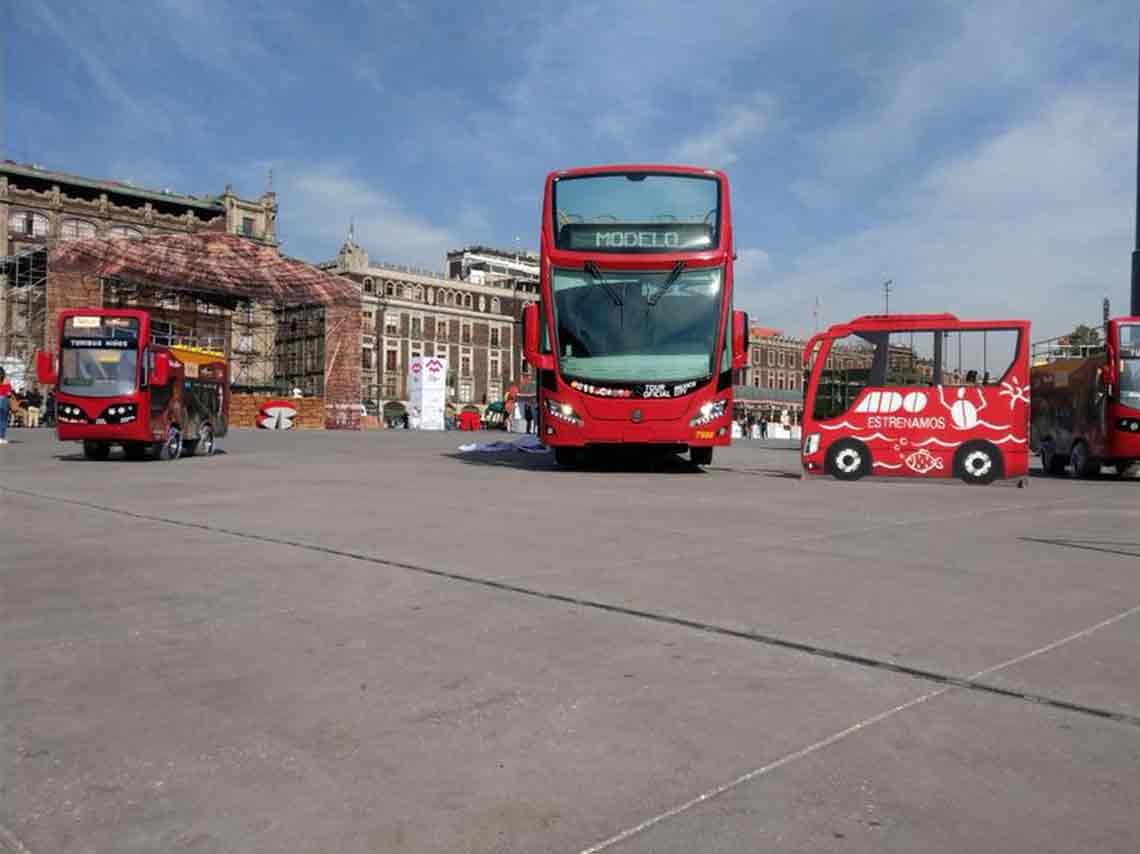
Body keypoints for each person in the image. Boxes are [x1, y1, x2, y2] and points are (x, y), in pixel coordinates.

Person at [0, 368, 10, 444]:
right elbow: (8, 392)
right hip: (3, 398)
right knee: (3, 419)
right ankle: (1, 437)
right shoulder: (5, 381)